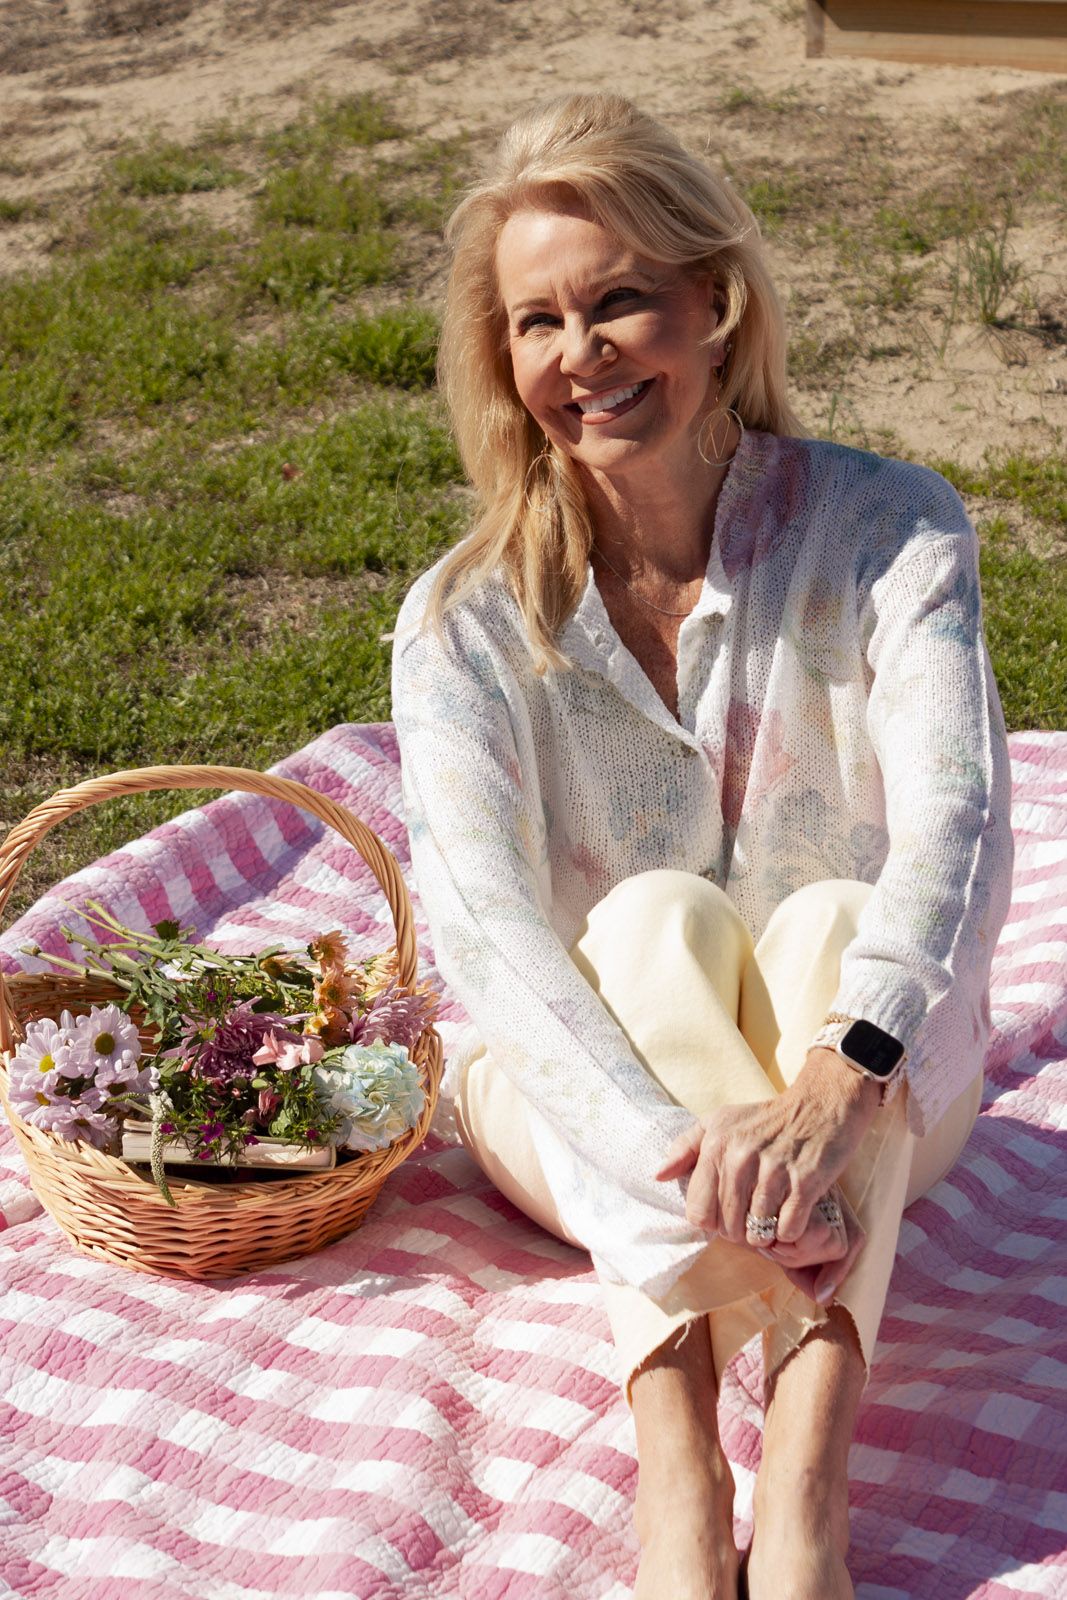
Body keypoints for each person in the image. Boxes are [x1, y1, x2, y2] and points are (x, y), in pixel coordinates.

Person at [387, 94, 1014, 1600]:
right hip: (580, 1108)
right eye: (538, 322)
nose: (581, 353)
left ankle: (804, 1475)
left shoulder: (891, 528)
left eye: (619, 300)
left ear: (717, 305)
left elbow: (961, 819)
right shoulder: (464, 621)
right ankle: (679, 1458)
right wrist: (690, 1148)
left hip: (869, 1095)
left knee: (837, 922)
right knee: (650, 920)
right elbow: (487, 935)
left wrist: (839, 1082)